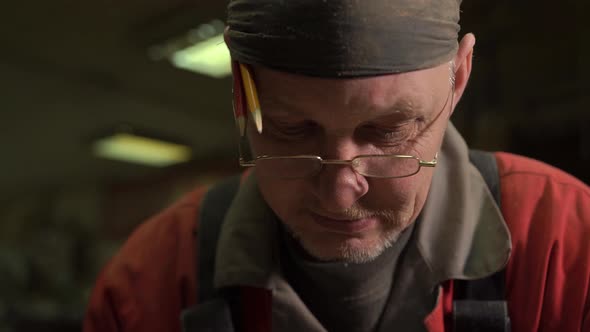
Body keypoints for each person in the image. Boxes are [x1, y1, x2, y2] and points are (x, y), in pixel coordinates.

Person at [83, 0, 590, 331]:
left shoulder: (569, 251)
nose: (340, 192)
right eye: (291, 129)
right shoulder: (146, 288)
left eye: (389, 131)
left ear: (458, 79)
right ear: (240, 92)